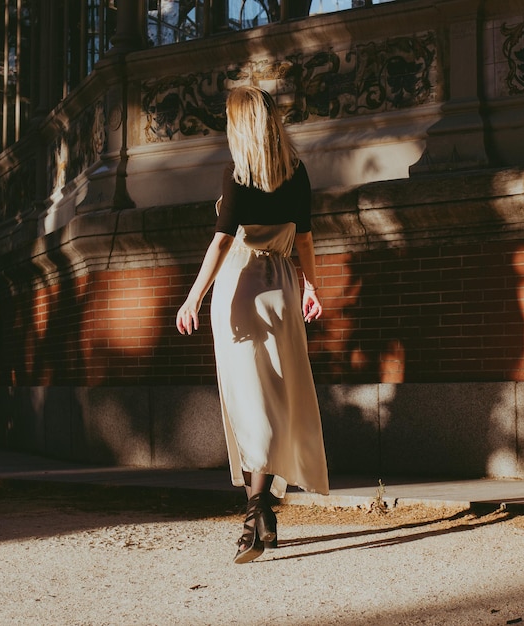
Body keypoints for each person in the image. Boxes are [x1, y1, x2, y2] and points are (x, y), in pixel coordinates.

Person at [176, 85, 329, 564]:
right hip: (282, 286)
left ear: (238, 126)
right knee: (277, 398)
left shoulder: (236, 175)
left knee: (248, 401)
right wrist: (310, 287)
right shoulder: (297, 173)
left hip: (240, 289)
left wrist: (193, 297)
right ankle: (261, 509)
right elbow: (304, 240)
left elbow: (221, 244)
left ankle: (256, 512)